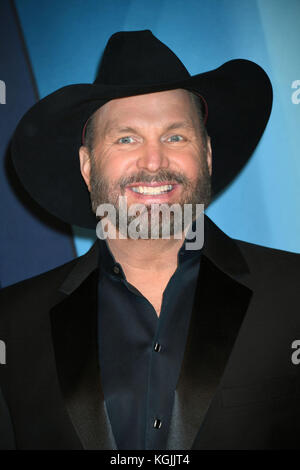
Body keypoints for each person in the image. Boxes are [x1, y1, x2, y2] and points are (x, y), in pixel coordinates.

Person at [0, 30, 300, 450]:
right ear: (88, 167)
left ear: (207, 155)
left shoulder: (294, 295)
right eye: (126, 138)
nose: (155, 161)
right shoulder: (10, 323)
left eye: (175, 136)